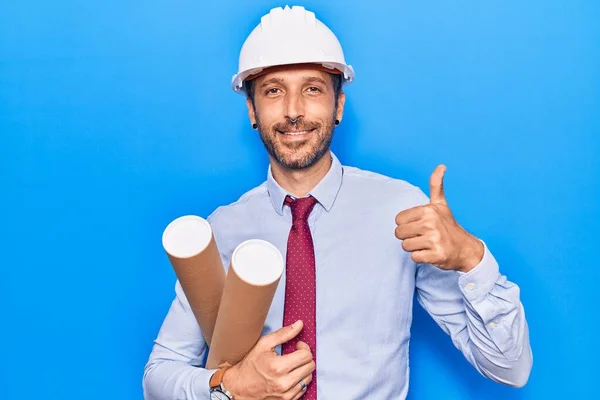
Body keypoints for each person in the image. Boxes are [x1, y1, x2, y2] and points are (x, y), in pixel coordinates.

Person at [142, 5, 532, 400]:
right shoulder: (223, 229)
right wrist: (228, 386)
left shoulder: (400, 211)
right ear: (252, 111)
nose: (294, 112)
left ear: (339, 105)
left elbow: (509, 368)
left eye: (312, 89)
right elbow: (158, 376)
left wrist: (470, 257)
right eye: (274, 90)